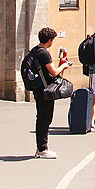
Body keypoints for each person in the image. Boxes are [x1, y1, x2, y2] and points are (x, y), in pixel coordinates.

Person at [27, 27, 71, 158]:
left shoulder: (34, 50)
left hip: (38, 88)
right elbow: (54, 72)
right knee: (45, 118)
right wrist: (64, 65)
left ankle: (41, 147)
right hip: (45, 89)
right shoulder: (44, 53)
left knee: (41, 117)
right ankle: (42, 149)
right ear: (50, 40)